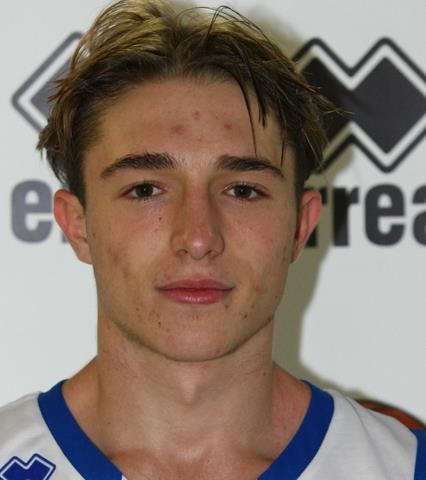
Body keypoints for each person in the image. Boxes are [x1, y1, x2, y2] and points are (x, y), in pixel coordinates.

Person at [1, 0, 424, 478]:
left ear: (300, 226)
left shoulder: (403, 467)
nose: (198, 238)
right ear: (77, 224)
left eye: (243, 190)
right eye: (146, 190)